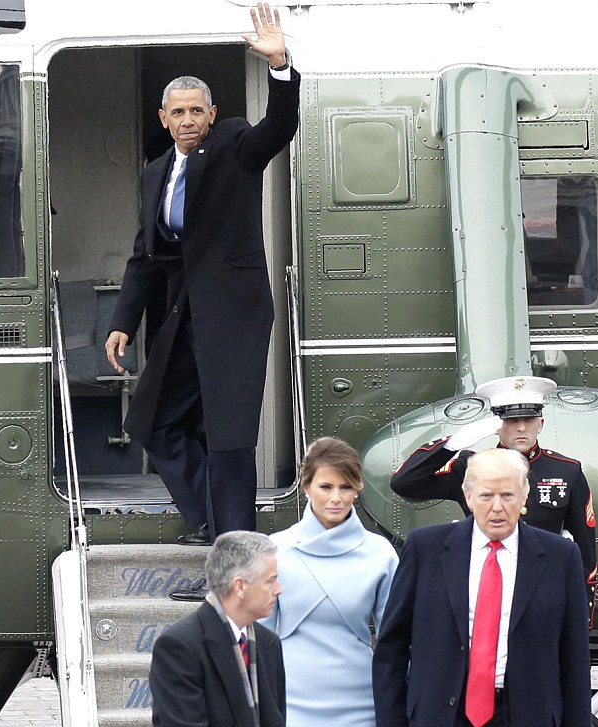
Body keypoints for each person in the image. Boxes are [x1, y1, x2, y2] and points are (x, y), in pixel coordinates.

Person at [104, 3, 300, 552]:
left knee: (228, 435)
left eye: (197, 110)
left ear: (212, 115)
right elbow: (145, 256)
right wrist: (122, 323)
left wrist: (279, 65)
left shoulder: (235, 145)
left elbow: (279, 127)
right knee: (155, 422)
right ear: (163, 119)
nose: (188, 119)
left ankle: (234, 549)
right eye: (178, 112)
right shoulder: (154, 173)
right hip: (181, 313)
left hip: (233, 314)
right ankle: (212, 520)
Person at [373, 448, 592, 727]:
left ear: (524, 496)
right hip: (442, 714)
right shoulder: (424, 549)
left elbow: (574, 657)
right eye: (486, 496)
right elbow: (392, 646)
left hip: (526, 714)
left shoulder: (561, 557)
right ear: (468, 496)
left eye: (507, 495)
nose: (497, 507)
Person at [390, 375, 597, 621]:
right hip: (484, 588)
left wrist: (580, 617)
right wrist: (450, 446)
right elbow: (405, 483)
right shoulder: (473, 467)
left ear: (540, 424)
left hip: (543, 594)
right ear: (497, 424)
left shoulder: (566, 471)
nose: (521, 427)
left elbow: (585, 551)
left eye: (528, 419)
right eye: (512, 419)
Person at [260, 437, 398, 726]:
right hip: (289, 705)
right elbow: (258, 639)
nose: (336, 498)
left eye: (345, 487)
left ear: (357, 489)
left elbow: (396, 642)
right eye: (326, 486)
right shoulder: (274, 550)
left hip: (363, 706)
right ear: (306, 487)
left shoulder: (380, 553)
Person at [148, 530, 286, 727]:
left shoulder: (268, 643)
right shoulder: (179, 647)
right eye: (270, 581)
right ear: (240, 586)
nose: (279, 589)